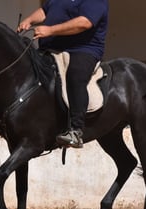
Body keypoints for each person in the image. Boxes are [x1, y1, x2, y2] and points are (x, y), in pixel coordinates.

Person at [18, 0, 109, 148]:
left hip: (83, 49)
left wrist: (50, 30)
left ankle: (76, 130)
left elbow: (84, 22)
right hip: (51, 48)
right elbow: (45, 11)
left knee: (75, 76)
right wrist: (29, 20)